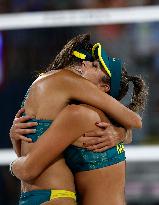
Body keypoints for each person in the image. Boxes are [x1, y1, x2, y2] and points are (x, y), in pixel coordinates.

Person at [10, 34, 147, 205]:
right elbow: (38, 153)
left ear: (103, 88)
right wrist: (16, 139)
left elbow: (28, 169)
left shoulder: (77, 113)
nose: (85, 63)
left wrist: (13, 165)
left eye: (95, 65)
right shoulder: (90, 118)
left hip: (54, 197)